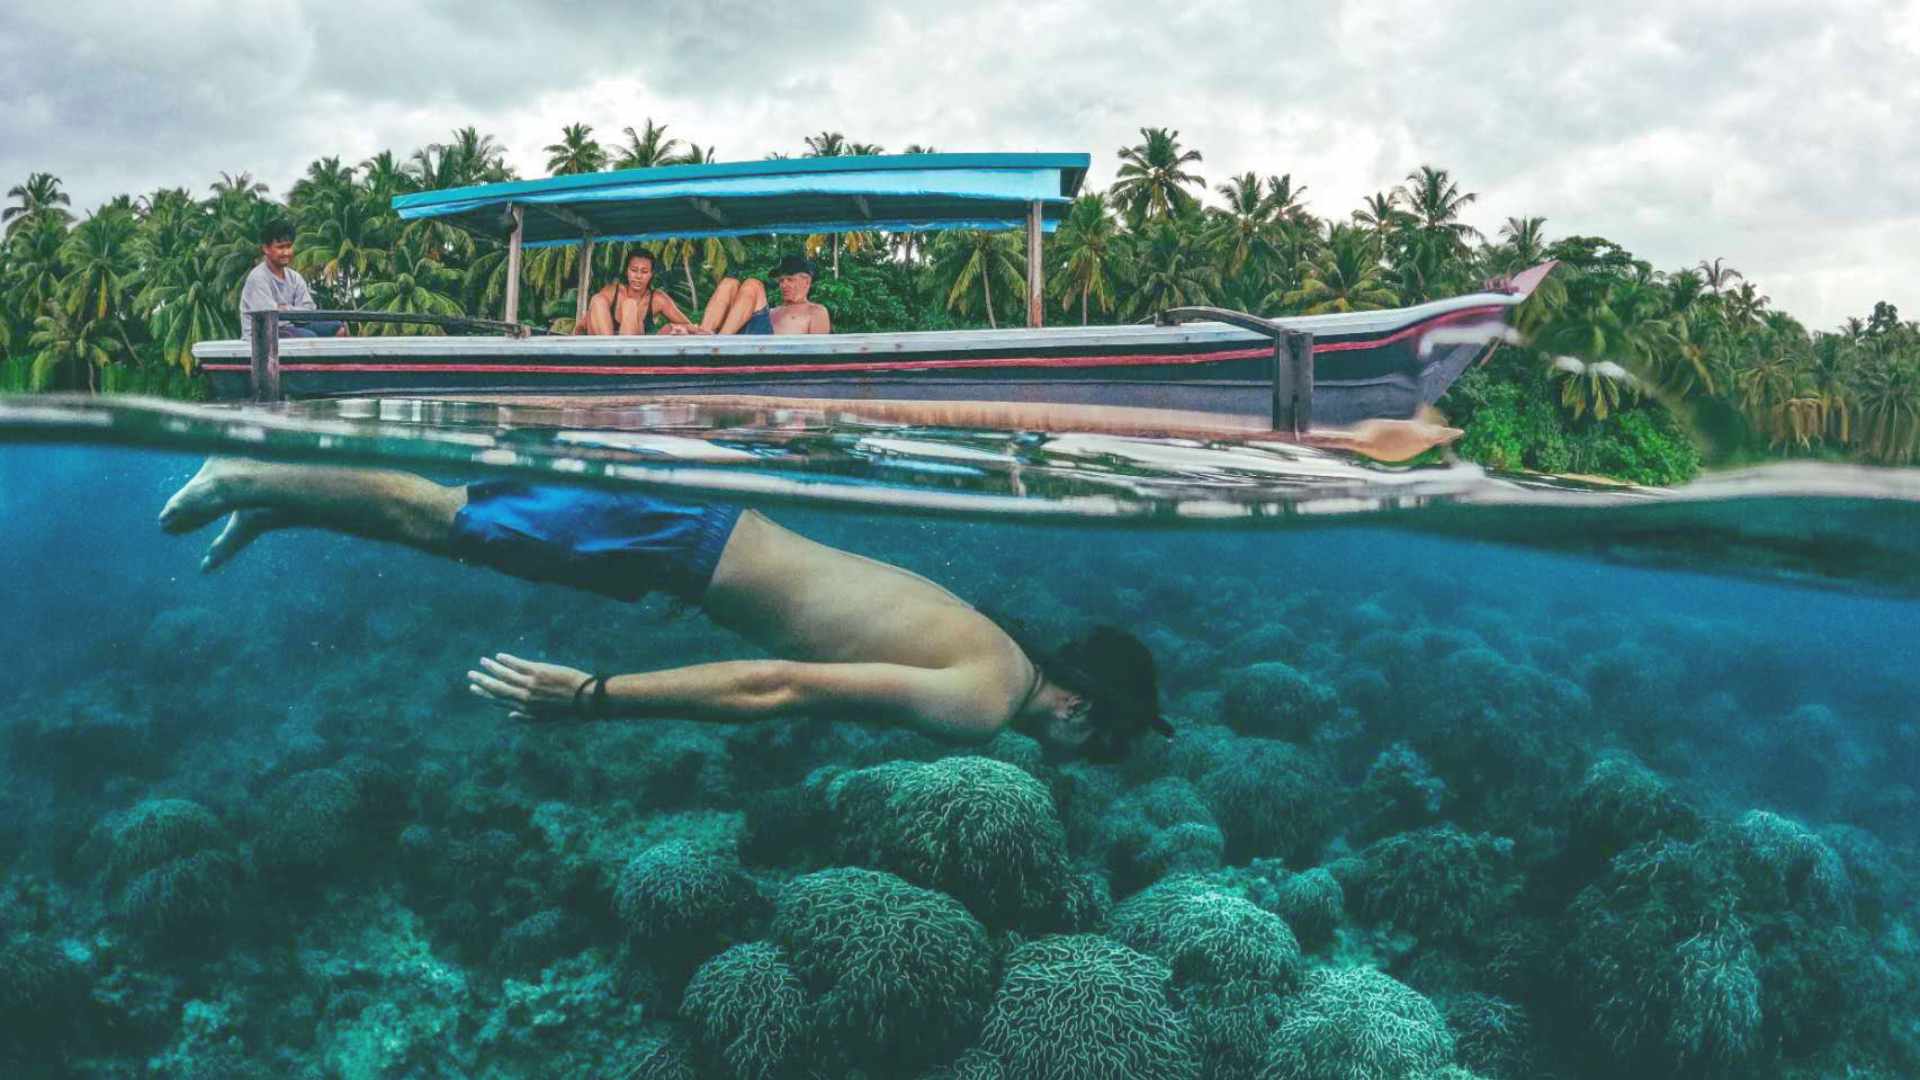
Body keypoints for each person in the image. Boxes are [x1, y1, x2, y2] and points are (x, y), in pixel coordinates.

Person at [157, 460, 1171, 762]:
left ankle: (273, 502)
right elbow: (776, 687)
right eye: (1113, 740)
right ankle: (246, 466)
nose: (1103, 758)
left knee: (454, 532)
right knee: (441, 520)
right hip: (679, 543)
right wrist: (597, 696)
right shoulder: (985, 699)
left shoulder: (1001, 648)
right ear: (1085, 708)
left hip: (692, 546)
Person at [239, 219, 347, 340]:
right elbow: (269, 316)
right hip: (262, 335)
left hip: (292, 326)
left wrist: (285, 309)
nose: (286, 252)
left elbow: (309, 309)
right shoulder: (258, 278)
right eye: (280, 247)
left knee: (338, 328)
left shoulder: (295, 277)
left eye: (289, 246)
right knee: (307, 336)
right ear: (266, 249)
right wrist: (292, 312)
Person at [697, 254, 832, 335]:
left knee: (753, 284)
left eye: (790, 279)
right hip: (746, 340)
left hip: (772, 356)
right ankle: (702, 335)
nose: (783, 285)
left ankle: (721, 341)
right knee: (729, 283)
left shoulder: (816, 311)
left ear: (806, 282)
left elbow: (821, 352)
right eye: (781, 281)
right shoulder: (772, 311)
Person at [579, 249, 700, 336]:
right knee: (597, 299)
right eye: (634, 270)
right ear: (627, 271)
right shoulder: (613, 291)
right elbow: (588, 317)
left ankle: (619, 355)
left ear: (651, 274)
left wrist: (672, 328)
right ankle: (611, 350)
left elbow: (689, 326)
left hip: (632, 353)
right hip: (604, 346)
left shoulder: (657, 299)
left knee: (630, 305)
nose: (638, 276)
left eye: (644, 271)